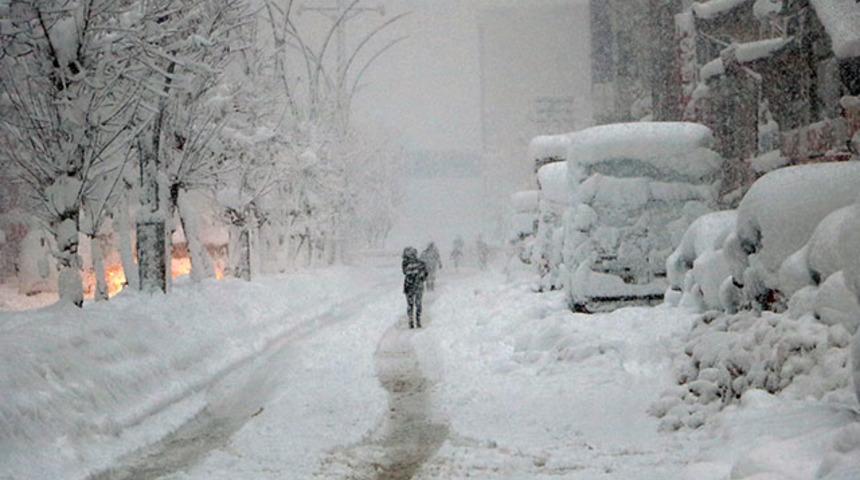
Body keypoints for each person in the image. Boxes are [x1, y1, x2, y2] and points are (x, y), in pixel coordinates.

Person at [401, 246, 428, 329]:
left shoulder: (405, 263)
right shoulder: (421, 263)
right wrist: (421, 278)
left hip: (408, 286)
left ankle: (411, 320)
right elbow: (425, 274)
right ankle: (418, 320)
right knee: (418, 304)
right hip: (418, 286)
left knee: (410, 304)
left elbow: (405, 272)